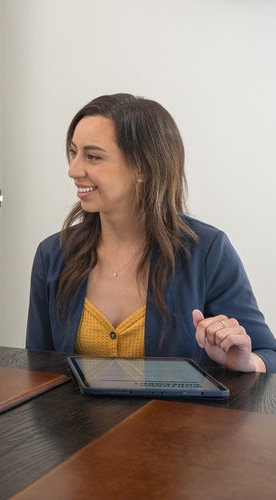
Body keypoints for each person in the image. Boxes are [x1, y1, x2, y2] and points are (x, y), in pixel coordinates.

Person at [26, 93, 276, 372]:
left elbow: (268, 354)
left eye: (93, 156)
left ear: (143, 168)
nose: (73, 170)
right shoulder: (53, 254)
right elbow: (38, 368)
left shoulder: (207, 250)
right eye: (74, 152)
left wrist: (247, 362)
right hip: (72, 417)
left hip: (176, 417)